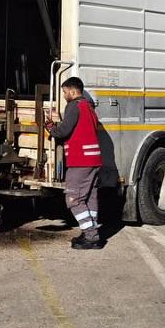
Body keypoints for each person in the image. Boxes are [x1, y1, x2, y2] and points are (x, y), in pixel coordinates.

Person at [50, 77, 108, 250]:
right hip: (93, 159)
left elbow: (63, 131)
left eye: (65, 92)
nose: (64, 95)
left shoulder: (74, 106)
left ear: (73, 91)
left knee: (74, 199)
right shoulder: (89, 107)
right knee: (89, 198)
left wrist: (50, 126)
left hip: (80, 160)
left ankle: (91, 236)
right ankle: (90, 232)